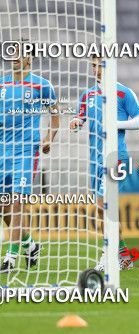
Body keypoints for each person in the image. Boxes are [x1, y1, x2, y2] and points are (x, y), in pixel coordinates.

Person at [70, 56, 139, 271]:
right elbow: (81, 117)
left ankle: (108, 254)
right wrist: (76, 122)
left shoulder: (123, 92)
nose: (97, 69)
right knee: (104, 208)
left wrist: (116, 123)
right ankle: (123, 256)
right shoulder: (88, 94)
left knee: (106, 204)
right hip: (95, 157)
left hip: (116, 155)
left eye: (100, 65)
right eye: (93, 65)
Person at [1, 40, 59, 273]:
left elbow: (55, 115)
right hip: (3, 149)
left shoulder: (41, 85)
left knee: (17, 203)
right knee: (4, 206)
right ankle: (29, 244)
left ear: (30, 58)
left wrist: (48, 138)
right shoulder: (2, 83)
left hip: (26, 151)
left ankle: (11, 257)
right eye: (11, 52)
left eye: (20, 53)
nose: (14, 56)